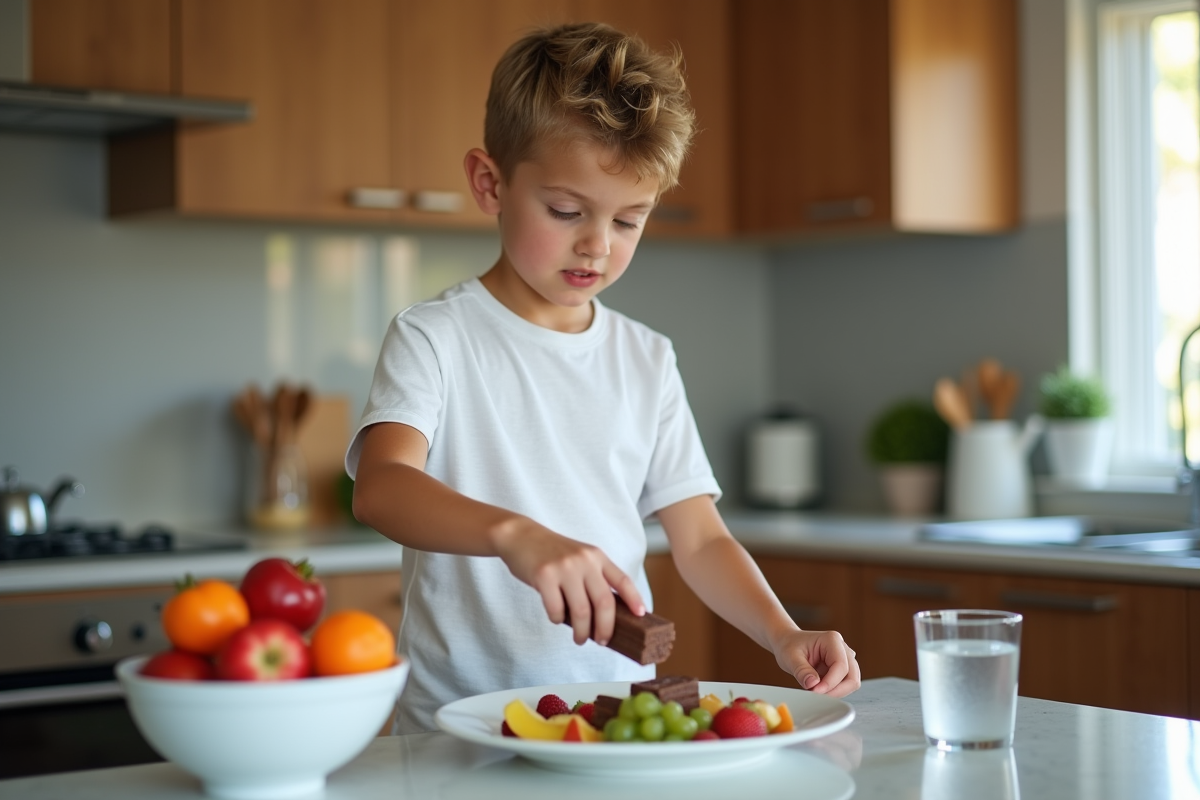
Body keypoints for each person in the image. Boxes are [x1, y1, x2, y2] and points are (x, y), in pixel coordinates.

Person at [348, 21, 860, 734]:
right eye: (566, 211)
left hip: (614, 724)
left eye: (629, 221)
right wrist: (516, 535)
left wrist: (783, 632)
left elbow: (701, 540)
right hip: (456, 734)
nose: (596, 244)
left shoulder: (646, 357)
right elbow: (381, 488)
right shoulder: (435, 337)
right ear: (490, 183)